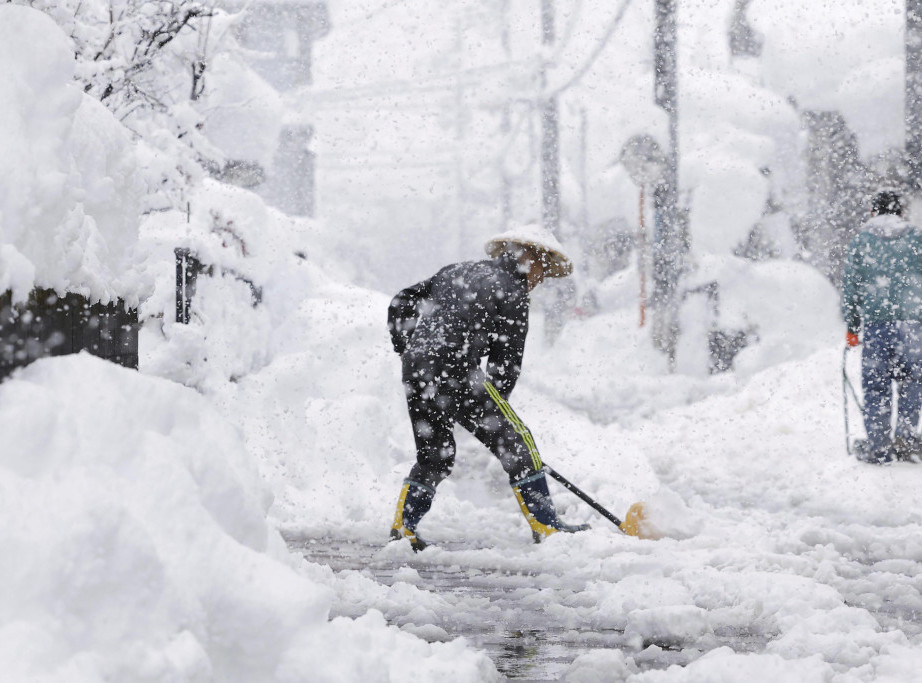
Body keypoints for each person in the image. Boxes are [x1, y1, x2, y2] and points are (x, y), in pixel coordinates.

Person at [387, 224, 589, 550]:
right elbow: (505, 365)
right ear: (531, 260)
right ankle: (546, 525)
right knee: (519, 442)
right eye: (542, 272)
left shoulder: (456, 271)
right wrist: (496, 414)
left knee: (435, 456)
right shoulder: (512, 290)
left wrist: (409, 349)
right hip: (457, 372)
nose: (540, 281)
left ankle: (403, 527)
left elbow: (401, 301)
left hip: (417, 371)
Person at [842, 190, 922, 464]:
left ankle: (878, 446)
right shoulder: (916, 238)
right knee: (912, 383)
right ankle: (907, 440)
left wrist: (852, 326)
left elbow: (851, 286)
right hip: (913, 325)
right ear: (901, 212)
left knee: (876, 386)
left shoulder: (862, 241)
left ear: (873, 212)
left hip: (877, 324)